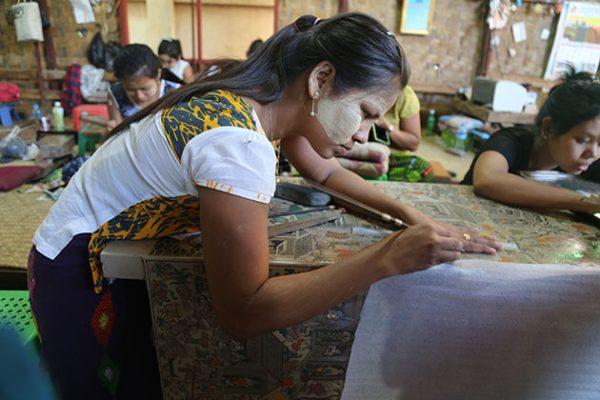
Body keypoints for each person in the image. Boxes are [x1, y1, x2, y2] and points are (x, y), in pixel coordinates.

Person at [30, 13, 499, 399]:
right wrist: (386, 256)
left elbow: (325, 174)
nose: (364, 135)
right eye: (367, 113)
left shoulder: (261, 102)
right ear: (320, 79)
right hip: (78, 268)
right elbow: (244, 310)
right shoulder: (238, 143)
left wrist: (413, 217)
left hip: (117, 253)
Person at [462, 67, 600, 214]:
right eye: (582, 140)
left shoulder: (585, 159)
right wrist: (583, 202)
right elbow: (487, 179)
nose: (593, 153)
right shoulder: (509, 141)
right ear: (548, 128)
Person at [107, 44, 181, 130]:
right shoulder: (116, 94)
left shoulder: (176, 93)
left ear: (158, 75)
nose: (139, 96)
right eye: (130, 90)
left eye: (145, 89)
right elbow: (118, 131)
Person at [373, 85, 421, 151]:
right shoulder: (361, 88)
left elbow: (413, 144)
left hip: (393, 155)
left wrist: (389, 128)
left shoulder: (405, 94)